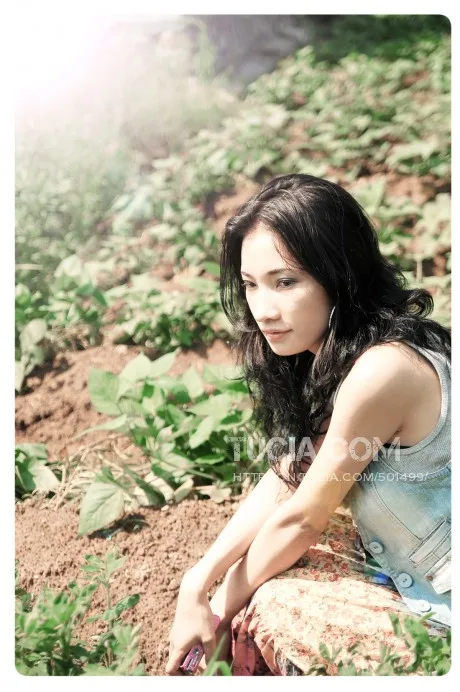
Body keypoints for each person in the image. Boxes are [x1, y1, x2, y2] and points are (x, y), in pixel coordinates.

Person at [165, 173, 451, 676]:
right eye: (251, 285)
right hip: (410, 560)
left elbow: (302, 517)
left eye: (285, 282)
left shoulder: (384, 370)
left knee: (276, 603)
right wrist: (199, 579)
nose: (263, 310)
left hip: (443, 597)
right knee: (268, 566)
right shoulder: (342, 351)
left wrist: (216, 614)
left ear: (339, 273)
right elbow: (290, 475)